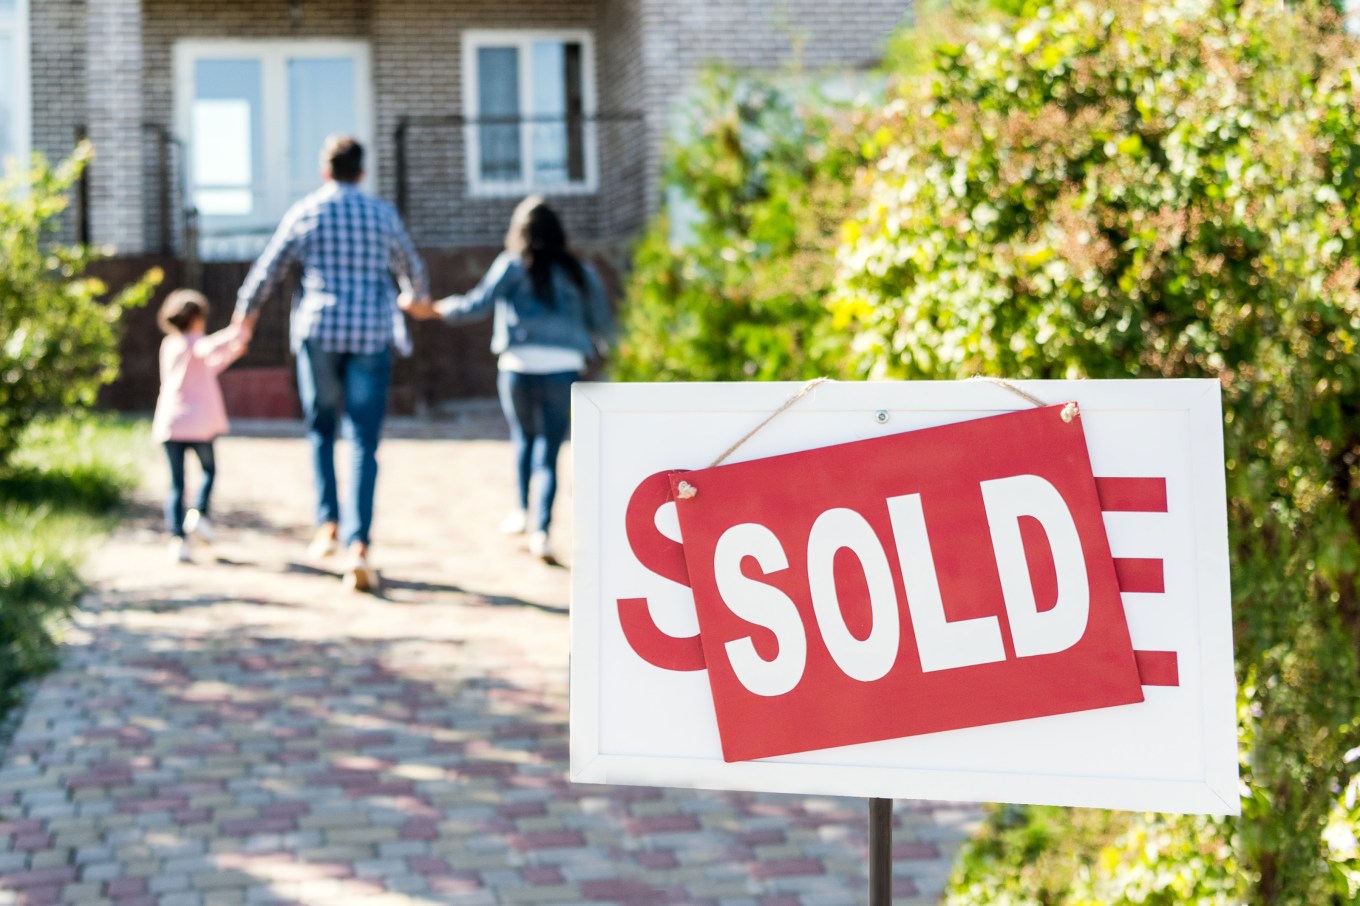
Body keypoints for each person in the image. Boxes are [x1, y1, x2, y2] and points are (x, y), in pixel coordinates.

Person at [233, 134, 429, 591]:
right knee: (364, 438)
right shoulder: (382, 214)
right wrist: (413, 298)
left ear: (325, 171)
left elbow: (269, 268)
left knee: (321, 429)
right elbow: (413, 270)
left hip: (318, 331)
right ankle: (360, 546)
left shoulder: (307, 210)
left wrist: (244, 318)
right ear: (362, 171)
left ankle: (328, 526)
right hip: (370, 334)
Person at [402, 196, 614, 562]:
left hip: (517, 367)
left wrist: (435, 308)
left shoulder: (512, 266)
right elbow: (605, 326)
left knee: (523, 438)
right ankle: (543, 532)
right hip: (563, 368)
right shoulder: (581, 271)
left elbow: (476, 304)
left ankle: (520, 510)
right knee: (550, 451)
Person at [151, 289, 248, 563]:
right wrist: (236, 331)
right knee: (208, 471)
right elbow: (205, 349)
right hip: (198, 425)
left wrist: (233, 351)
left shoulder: (169, 345)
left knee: (176, 485)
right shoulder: (195, 342)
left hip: (170, 424)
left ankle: (177, 539)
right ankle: (199, 514)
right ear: (195, 318)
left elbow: (208, 364)